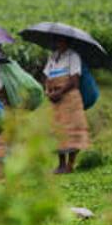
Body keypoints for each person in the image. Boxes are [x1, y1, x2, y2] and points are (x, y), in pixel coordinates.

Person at [43, 38, 90, 174]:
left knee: (73, 130)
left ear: (67, 42)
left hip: (69, 98)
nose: (57, 43)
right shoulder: (53, 56)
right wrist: (48, 91)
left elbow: (74, 80)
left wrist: (59, 92)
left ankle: (70, 164)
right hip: (54, 98)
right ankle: (61, 164)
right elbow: (46, 75)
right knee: (58, 131)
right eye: (57, 41)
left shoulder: (73, 56)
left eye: (61, 41)